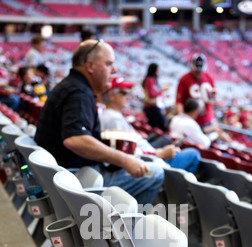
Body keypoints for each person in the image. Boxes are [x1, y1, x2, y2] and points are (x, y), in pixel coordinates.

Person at [35, 39, 164, 206]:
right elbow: (75, 139)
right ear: (90, 66)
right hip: (77, 181)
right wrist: (125, 160)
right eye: (109, 64)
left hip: (65, 177)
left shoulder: (72, 86)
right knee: (154, 173)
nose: (114, 70)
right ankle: (130, 228)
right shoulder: (79, 92)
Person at [101, 77, 200, 175]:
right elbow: (126, 154)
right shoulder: (112, 118)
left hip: (148, 157)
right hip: (148, 163)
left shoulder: (113, 115)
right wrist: (159, 153)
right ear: (111, 95)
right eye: (124, 93)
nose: (128, 96)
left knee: (168, 141)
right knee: (194, 153)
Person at [175, 54, 232, 143]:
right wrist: (183, 119)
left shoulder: (208, 77)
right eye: (196, 70)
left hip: (207, 119)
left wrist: (214, 95)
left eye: (200, 71)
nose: (198, 73)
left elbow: (213, 100)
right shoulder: (184, 79)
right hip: (192, 122)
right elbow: (179, 102)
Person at [142, 63, 168, 132]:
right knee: (161, 125)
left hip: (149, 107)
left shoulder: (148, 79)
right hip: (151, 107)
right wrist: (161, 90)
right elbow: (152, 94)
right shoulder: (150, 79)